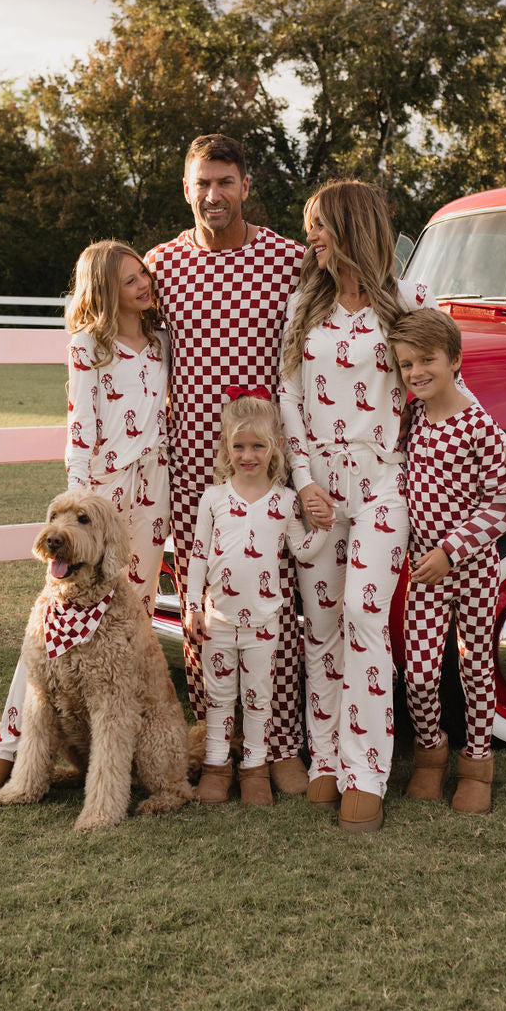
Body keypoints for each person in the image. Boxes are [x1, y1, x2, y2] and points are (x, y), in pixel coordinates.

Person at [0, 241, 170, 799]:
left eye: (143, 275)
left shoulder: (161, 345)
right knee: (53, 630)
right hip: (99, 501)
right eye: (130, 281)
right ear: (105, 291)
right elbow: (81, 430)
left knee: (130, 620)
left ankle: (121, 759)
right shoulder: (89, 348)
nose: (143, 286)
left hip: (152, 500)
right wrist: (80, 508)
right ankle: (8, 744)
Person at [144, 136, 309, 794]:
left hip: (267, 468)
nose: (213, 195)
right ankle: (218, 743)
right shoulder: (161, 265)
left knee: (280, 601)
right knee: (200, 607)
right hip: (194, 468)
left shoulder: (285, 260)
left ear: (246, 185)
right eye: (201, 183)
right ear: (186, 188)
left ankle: (282, 744)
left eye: (225, 181)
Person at [278, 179, 440, 833]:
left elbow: (443, 383)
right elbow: (286, 393)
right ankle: (328, 762)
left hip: (382, 483)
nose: (310, 237)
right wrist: (305, 481)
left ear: (350, 229)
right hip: (318, 490)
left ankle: (367, 771)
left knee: (363, 614)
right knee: (321, 628)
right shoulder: (304, 305)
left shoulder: (408, 303)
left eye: (319, 225)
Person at [391, 307, 506, 814]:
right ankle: (429, 755)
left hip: (472, 569)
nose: (417, 371)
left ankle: (478, 764)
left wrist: (451, 550)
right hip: (425, 571)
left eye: (428, 360)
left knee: (475, 666)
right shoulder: (412, 417)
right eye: (406, 364)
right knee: (419, 672)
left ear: (455, 360)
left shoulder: (479, 426)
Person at [187, 390, 328, 807]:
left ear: (275, 448)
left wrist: (322, 527)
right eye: (239, 446)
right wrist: (194, 606)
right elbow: (197, 555)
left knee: (258, 696)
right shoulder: (213, 499)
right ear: (226, 449)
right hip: (219, 619)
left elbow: (301, 551)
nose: (248, 455)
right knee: (219, 696)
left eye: (258, 446)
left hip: (264, 622)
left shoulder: (284, 501)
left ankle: (255, 768)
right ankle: (216, 766)